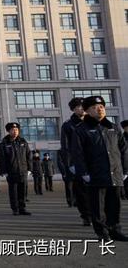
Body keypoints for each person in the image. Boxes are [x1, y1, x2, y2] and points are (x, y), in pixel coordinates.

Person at [71, 96, 128, 241]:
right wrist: (83, 173)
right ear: (88, 111)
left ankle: (115, 230)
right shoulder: (81, 130)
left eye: (102, 106)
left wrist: (125, 170)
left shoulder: (113, 127)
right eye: (95, 107)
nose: (100, 109)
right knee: (98, 206)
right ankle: (102, 232)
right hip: (95, 174)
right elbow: (78, 154)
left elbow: (124, 150)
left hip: (115, 173)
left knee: (114, 205)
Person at [61, 97, 91, 226]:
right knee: (81, 191)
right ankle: (86, 215)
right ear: (73, 109)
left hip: (94, 161)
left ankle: (98, 215)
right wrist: (70, 164)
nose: (82, 109)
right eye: (78, 107)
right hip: (77, 163)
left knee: (97, 191)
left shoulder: (93, 122)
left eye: (83, 106)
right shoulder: (68, 125)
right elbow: (65, 146)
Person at [0, 122, 31, 216]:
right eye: (12, 130)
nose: (15, 131)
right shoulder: (4, 143)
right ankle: (15, 209)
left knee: (23, 191)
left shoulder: (23, 141)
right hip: (11, 172)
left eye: (16, 130)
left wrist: (29, 169)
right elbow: (2, 158)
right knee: (13, 192)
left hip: (23, 171)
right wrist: (4, 171)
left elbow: (28, 155)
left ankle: (22, 208)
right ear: (9, 131)